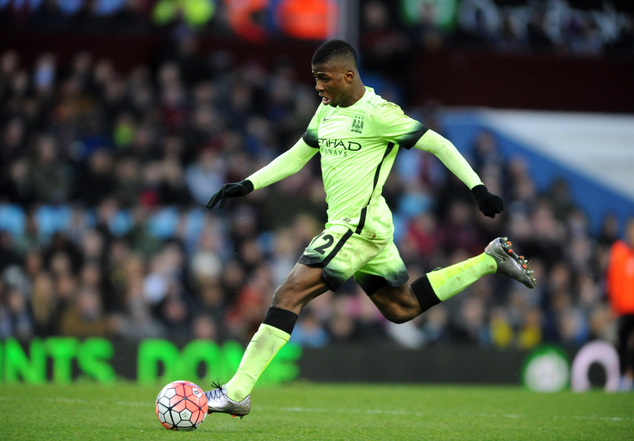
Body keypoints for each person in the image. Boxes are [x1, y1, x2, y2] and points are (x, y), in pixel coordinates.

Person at [203, 39, 536, 417]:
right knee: (402, 307)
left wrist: (478, 189)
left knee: (288, 293)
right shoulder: (326, 110)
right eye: (315, 79)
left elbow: (439, 144)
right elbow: (298, 155)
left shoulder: (381, 113)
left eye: (323, 79)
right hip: (371, 224)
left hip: (356, 225)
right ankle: (489, 261)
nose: (317, 87)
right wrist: (247, 184)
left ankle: (237, 391)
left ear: (348, 75)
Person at [606, 217, 634, 391]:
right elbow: (613, 280)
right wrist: (613, 306)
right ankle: (624, 377)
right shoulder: (619, 251)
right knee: (622, 344)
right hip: (623, 309)